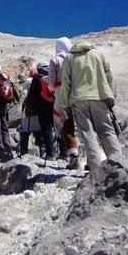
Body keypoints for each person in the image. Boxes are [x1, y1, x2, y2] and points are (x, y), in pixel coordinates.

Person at [56, 42, 123, 172]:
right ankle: (119, 163)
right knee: (106, 129)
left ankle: (95, 167)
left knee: (87, 133)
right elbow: (109, 76)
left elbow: (65, 82)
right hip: (100, 96)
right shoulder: (99, 54)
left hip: (79, 99)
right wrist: (111, 97)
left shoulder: (69, 58)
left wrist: (64, 104)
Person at [49, 37, 80, 169]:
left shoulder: (55, 60)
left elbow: (51, 82)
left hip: (60, 93)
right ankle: (90, 157)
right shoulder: (74, 59)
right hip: (76, 92)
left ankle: (71, 155)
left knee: (63, 122)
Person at [27, 63, 55, 160]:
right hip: (55, 106)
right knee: (58, 129)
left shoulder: (37, 78)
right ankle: (64, 153)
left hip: (42, 108)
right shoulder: (52, 75)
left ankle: (50, 154)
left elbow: (31, 95)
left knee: (46, 130)